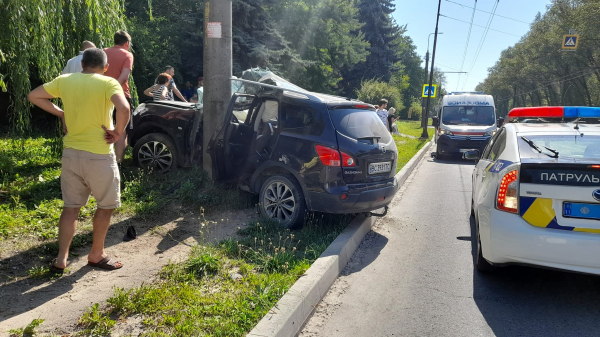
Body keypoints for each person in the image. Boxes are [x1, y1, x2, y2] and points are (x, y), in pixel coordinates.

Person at [28, 48, 130, 273]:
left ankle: (61, 259)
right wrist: (117, 132)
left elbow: (34, 96)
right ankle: (96, 254)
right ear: (105, 68)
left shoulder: (64, 80)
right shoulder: (108, 83)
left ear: (82, 63)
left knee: (71, 208)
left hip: (71, 154)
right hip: (100, 155)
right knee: (105, 206)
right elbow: (124, 108)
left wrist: (62, 113)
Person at [104, 31, 134, 164]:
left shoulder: (102, 52)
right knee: (121, 129)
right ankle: (118, 162)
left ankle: (102, 158)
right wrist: (113, 91)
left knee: (103, 125)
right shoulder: (127, 55)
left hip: (101, 94)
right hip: (121, 95)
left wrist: (104, 91)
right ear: (127, 43)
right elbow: (124, 77)